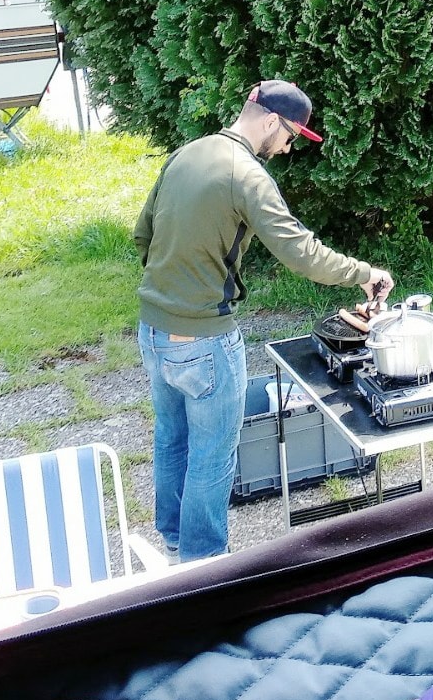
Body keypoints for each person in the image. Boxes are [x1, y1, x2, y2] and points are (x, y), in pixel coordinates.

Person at [135, 79, 393, 562]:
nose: (289, 146)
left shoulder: (186, 154)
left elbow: (143, 233)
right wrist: (363, 273)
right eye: (292, 135)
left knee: (172, 438)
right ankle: (203, 568)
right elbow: (299, 252)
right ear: (271, 120)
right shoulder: (247, 176)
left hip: (152, 329)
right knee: (213, 455)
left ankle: (172, 542)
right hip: (205, 338)